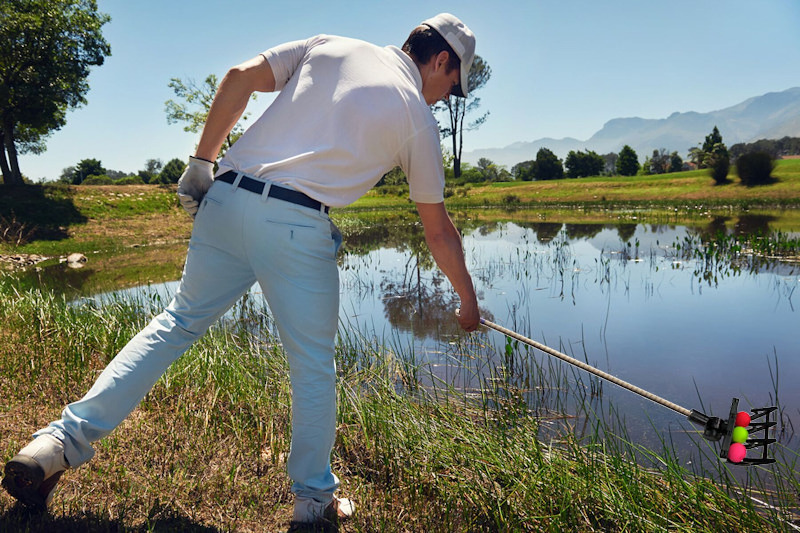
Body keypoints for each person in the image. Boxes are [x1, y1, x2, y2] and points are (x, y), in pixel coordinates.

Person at [2, 12, 480, 526]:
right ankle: (314, 502)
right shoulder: (417, 117)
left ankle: (57, 442)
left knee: (176, 323)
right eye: (452, 88)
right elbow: (438, 231)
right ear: (440, 61)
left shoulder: (329, 44)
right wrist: (468, 302)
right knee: (313, 367)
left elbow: (238, 77)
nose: (444, 100)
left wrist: (201, 163)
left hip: (227, 198)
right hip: (298, 225)